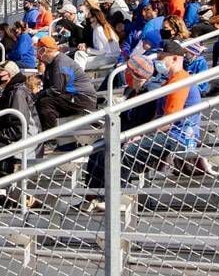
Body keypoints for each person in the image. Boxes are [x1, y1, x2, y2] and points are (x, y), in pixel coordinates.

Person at [82, 42, 202, 212]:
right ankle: (92, 197)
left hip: (178, 137)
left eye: (162, 58)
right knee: (100, 148)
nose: (158, 62)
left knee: (125, 153)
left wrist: (143, 135)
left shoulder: (181, 81)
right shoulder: (169, 82)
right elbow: (158, 117)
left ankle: (115, 199)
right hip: (166, 134)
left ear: (175, 58)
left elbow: (169, 121)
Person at [34, 36, 96, 130]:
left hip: (82, 98)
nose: (37, 53)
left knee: (45, 103)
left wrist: (36, 96)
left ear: (45, 50)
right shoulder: (51, 63)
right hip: (73, 96)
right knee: (41, 101)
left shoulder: (60, 63)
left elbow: (56, 90)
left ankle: (51, 139)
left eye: (39, 49)